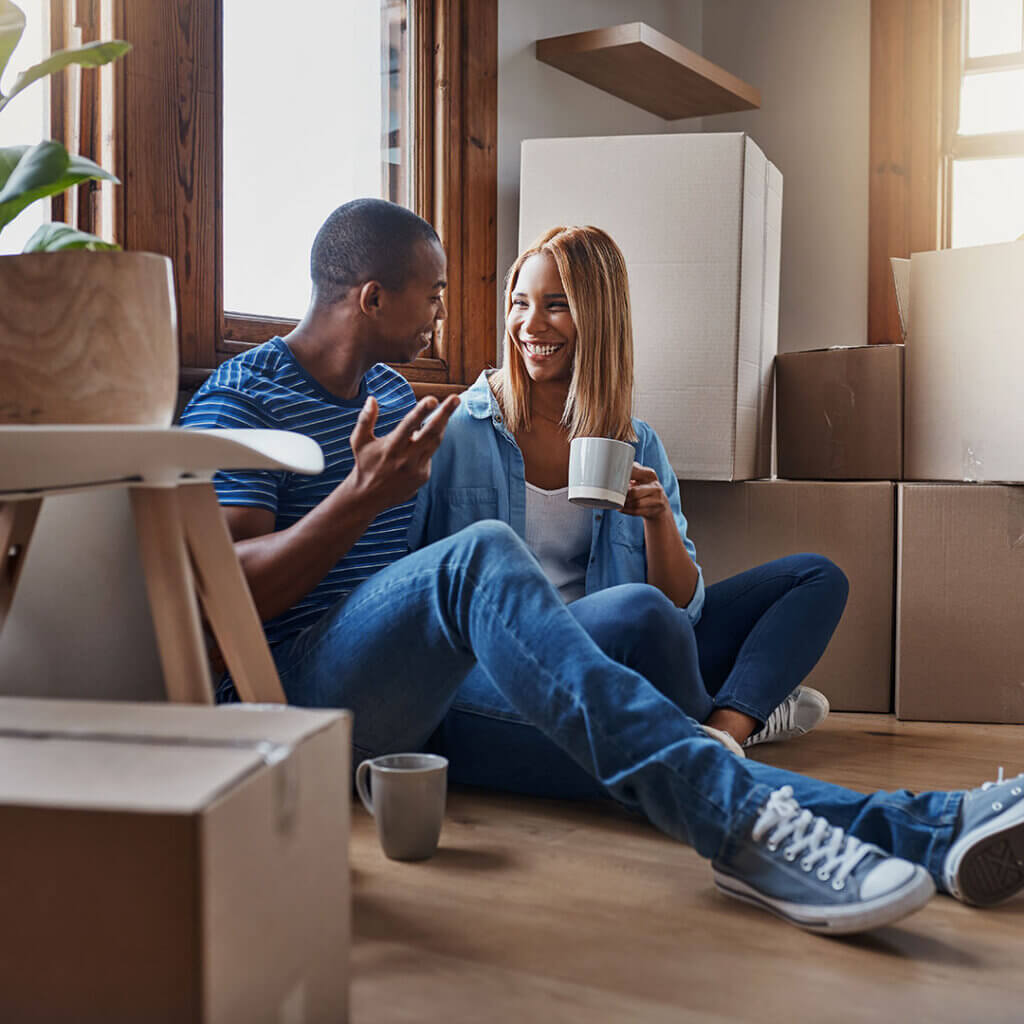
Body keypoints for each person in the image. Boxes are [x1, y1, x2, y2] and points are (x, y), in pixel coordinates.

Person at [181, 198, 1024, 936]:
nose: (446, 316)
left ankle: (930, 828)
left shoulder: (394, 399)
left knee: (668, 751)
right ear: (373, 298)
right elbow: (230, 593)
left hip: (417, 710)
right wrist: (358, 500)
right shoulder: (244, 398)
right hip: (287, 703)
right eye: (434, 296)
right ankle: (782, 822)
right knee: (484, 558)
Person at [409, 225, 844, 762]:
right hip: (520, 656)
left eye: (556, 305)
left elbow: (683, 609)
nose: (530, 324)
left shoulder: (637, 442)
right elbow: (413, 581)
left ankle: (726, 728)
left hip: (630, 650)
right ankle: (733, 712)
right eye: (520, 303)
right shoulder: (455, 431)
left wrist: (658, 520)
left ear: (599, 317)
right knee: (640, 611)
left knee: (816, 577)